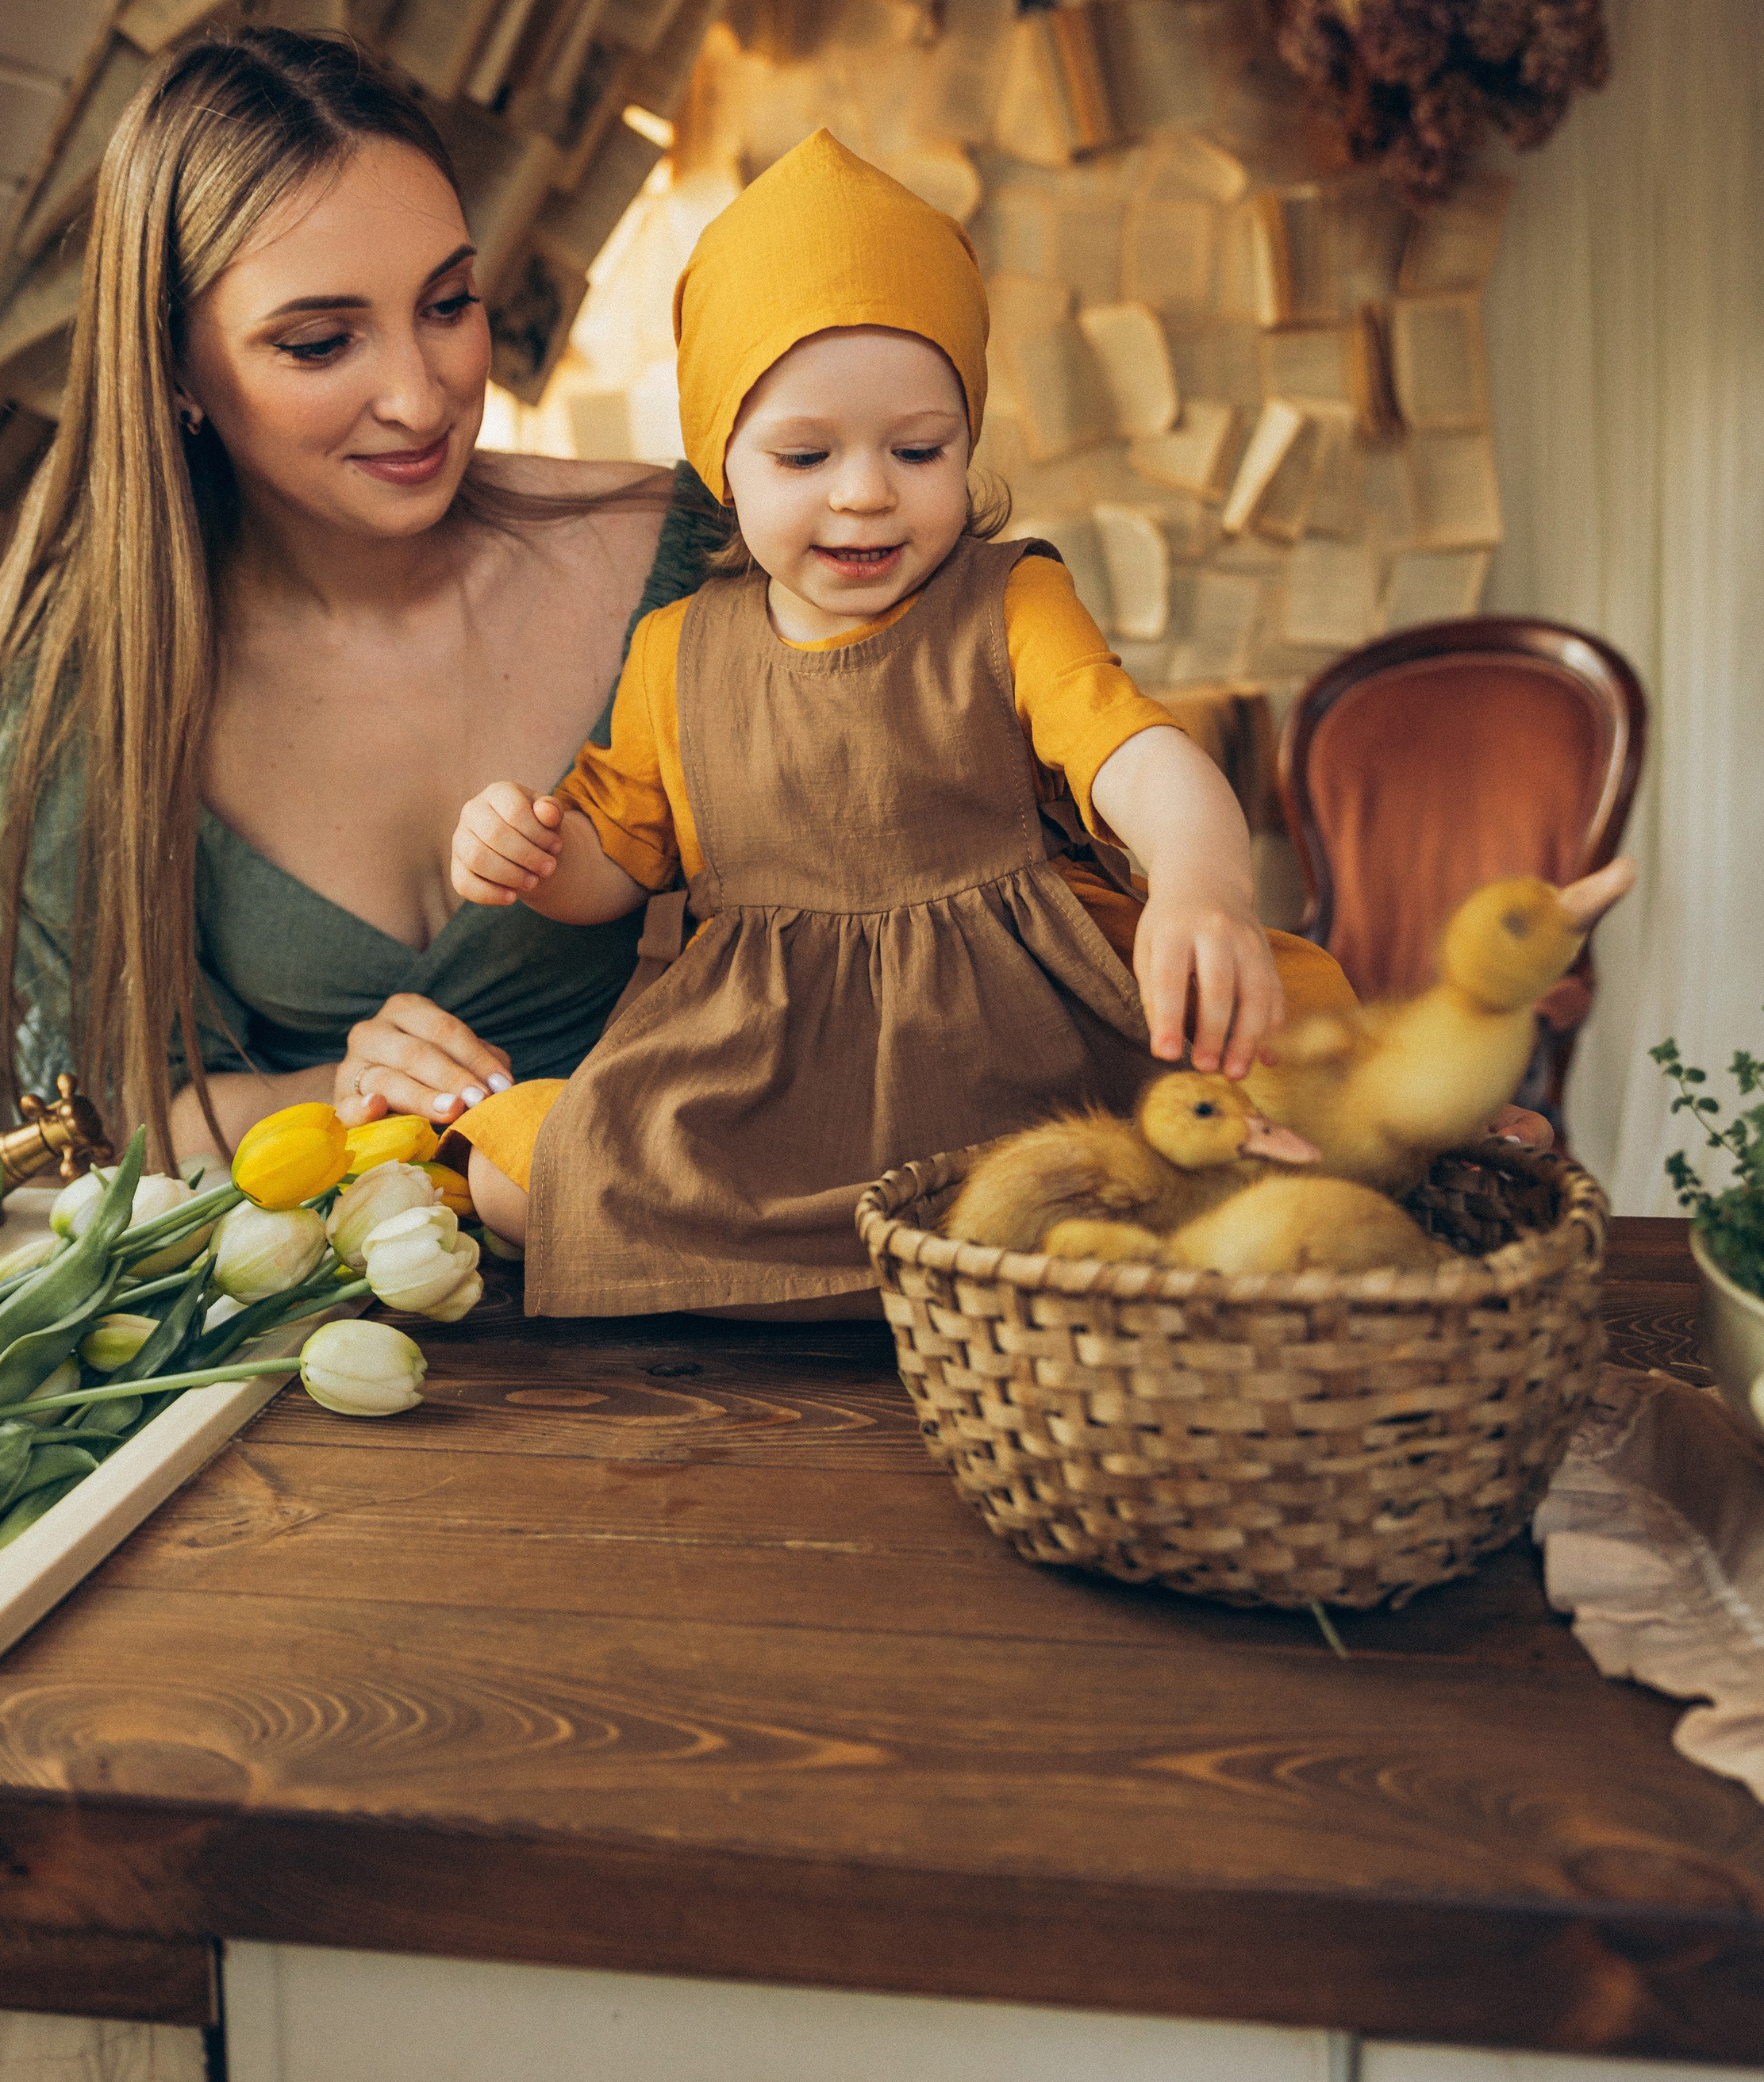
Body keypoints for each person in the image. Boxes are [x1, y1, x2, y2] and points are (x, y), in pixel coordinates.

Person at [447, 129, 1357, 1319]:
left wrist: (1200, 882)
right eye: (804, 454)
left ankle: (978, 1244)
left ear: (968, 439)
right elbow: (617, 862)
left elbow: (1137, 752)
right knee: (515, 1182)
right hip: (770, 1074)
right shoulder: (680, 653)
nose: (866, 490)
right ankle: (930, 1266)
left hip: (1018, 1053)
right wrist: (530, 852)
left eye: (918, 449)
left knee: (1291, 1119)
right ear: (724, 464)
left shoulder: (1008, 603)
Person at [0, 30, 719, 1172]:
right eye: (320, 343)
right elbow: (112, 1122)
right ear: (171, 369)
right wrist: (336, 1091)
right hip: (330, 1330)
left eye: (448, 304)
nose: (420, 398)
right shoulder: (76, 703)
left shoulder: (690, 557)